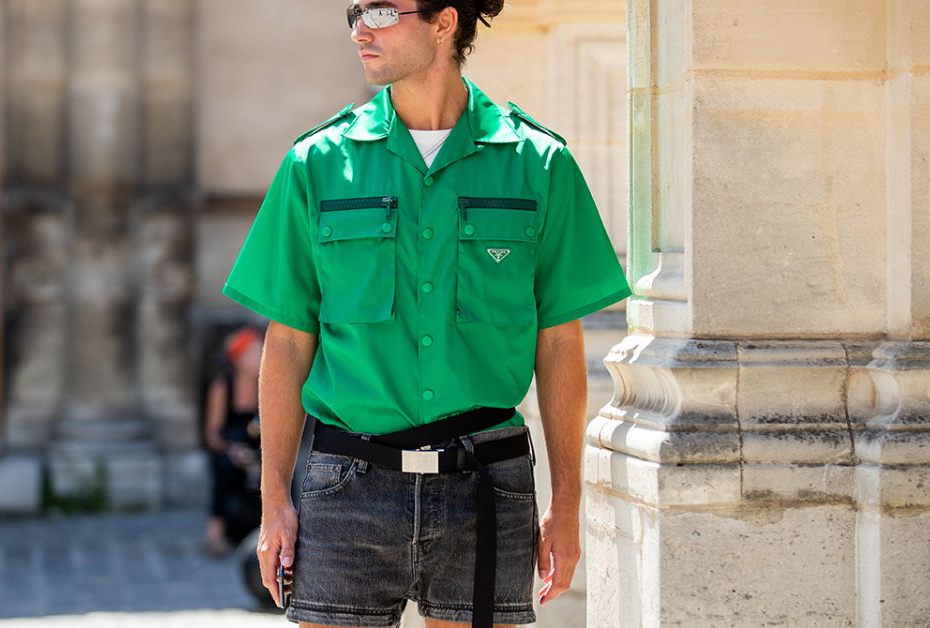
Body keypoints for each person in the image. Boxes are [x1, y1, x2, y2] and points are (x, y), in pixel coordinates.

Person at [222, 1, 630, 626]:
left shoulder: (538, 164)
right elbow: (288, 342)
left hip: (486, 483)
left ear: (444, 22)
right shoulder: (318, 163)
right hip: (348, 483)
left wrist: (566, 504)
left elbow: (559, 346)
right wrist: (273, 498)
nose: (361, 27)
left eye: (383, 10)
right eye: (355, 10)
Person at [202, 327, 264, 557]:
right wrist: (231, 449)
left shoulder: (265, 384)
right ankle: (214, 533)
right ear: (239, 358)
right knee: (224, 468)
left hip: (257, 448)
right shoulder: (223, 386)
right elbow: (212, 435)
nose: (260, 357)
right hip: (229, 449)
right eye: (254, 353)